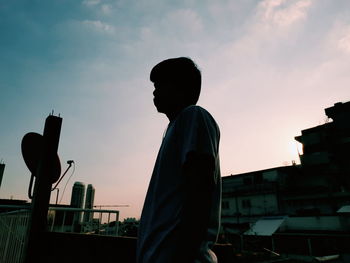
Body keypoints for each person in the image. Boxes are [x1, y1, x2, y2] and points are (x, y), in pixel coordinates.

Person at [137, 57, 221, 263]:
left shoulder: (193, 116)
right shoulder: (175, 127)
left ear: (181, 86)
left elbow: (201, 187)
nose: (154, 91)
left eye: (160, 84)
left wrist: (184, 254)